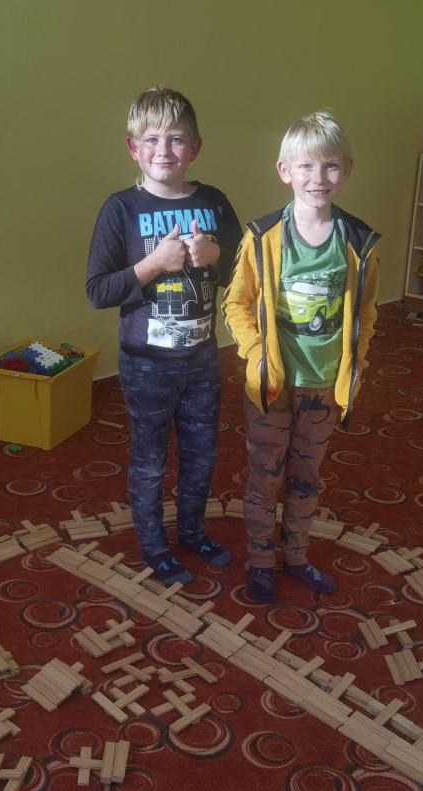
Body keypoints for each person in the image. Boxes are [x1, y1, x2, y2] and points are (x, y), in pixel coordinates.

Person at [86, 86, 243, 585]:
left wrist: (216, 258)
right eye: (151, 139)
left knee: (201, 456)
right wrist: (152, 264)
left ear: (194, 147)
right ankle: (155, 546)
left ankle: (193, 532)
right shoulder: (121, 209)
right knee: (151, 460)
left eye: (176, 139)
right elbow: (97, 290)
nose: (164, 150)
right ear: (134, 148)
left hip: (201, 360)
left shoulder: (213, 202)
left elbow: (246, 273)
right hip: (145, 363)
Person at [223, 111, 381, 603]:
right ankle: (260, 563)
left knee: (307, 478)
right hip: (271, 386)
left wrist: (356, 366)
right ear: (285, 171)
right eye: (307, 166)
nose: (319, 178)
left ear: (347, 170)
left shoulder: (358, 243)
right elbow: (236, 303)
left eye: (331, 166)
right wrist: (255, 354)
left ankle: (296, 556)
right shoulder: (263, 236)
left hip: (325, 385)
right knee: (265, 477)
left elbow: (367, 312)